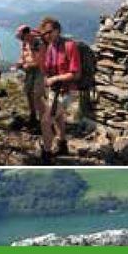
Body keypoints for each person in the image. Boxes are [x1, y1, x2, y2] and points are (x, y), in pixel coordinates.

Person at [39, 16, 82, 161]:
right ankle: (62, 144)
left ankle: (46, 153)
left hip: (68, 91)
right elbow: (48, 70)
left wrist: (55, 79)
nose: (47, 36)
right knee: (58, 118)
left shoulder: (69, 46)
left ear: (57, 30)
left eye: (49, 32)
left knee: (46, 121)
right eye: (44, 33)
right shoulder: (51, 47)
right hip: (55, 91)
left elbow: (75, 74)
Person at [15, 23, 51, 151]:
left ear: (27, 33)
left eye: (22, 37)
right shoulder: (25, 42)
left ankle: (44, 122)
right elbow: (23, 56)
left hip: (40, 71)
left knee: (37, 95)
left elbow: (40, 61)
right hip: (29, 70)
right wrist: (20, 63)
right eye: (20, 38)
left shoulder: (39, 42)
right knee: (28, 93)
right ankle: (33, 116)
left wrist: (25, 65)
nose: (21, 40)